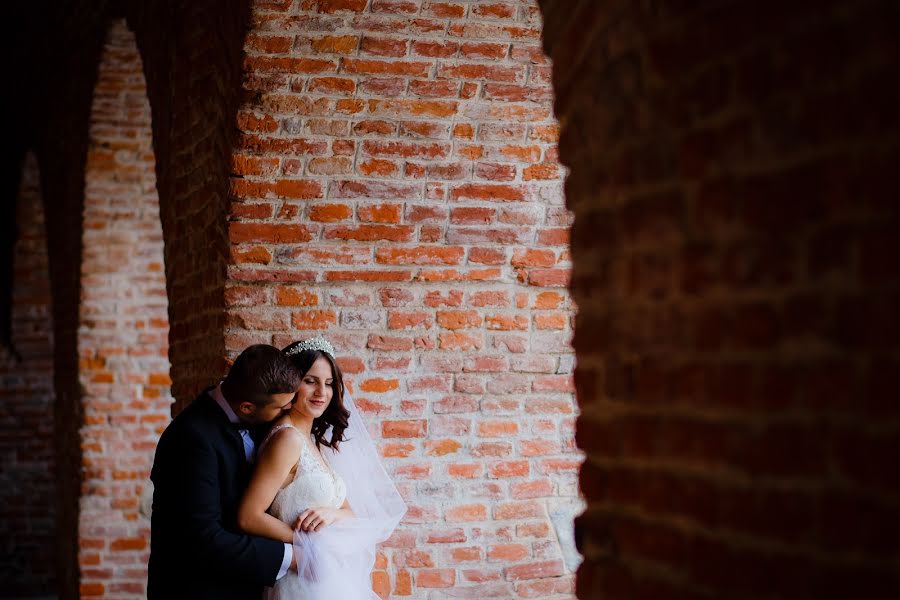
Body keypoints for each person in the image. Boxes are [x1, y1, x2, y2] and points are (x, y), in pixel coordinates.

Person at [238, 336, 406, 599]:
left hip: (328, 577)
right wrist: (306, 546)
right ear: (292, 383)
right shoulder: (287, 439)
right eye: (310, 381)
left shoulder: (313, 441)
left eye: (328, 384)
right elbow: (248, 516)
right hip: (300, 578)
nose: (321, 393)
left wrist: (332, 514)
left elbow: (350, 511)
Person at [148, 344, 302, 600]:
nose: (289, 410)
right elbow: (203, 539)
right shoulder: (191, 438)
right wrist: (290, 557)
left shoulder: (262, 420)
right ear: (246, 408)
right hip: (198, 590)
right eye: (281, 407)